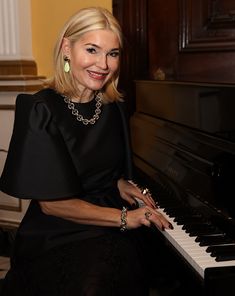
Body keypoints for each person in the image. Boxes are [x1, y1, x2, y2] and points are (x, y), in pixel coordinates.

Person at [0, 7, 173, 296]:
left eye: (113, 54)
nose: (103, 64)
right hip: (58, 231)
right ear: (67, 48)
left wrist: (122, 184)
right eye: (92, 49)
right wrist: (125, 218)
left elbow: (99, 168)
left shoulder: (113, 107)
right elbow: (52, 204)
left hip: (108, 218)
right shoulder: (40, 109)